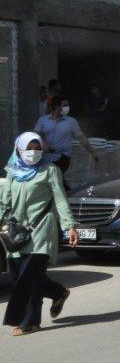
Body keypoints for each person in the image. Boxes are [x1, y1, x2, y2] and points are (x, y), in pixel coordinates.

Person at [2, 133, 78, 335]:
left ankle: (30, 322)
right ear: (19, 149)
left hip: (41, 229)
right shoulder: (12, 172)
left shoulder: (50, 170)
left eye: (38, 148)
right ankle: (58, 292)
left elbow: (60, 199)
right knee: (19, 275)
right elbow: (5, 202)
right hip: (15, 232)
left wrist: (69, 225)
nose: (34, 152)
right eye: (29, 148)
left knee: (29, 276)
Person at [34, 95, 99, 185]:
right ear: (57, 106)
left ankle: (64, 193)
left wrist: (92, 152)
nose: (67, 108)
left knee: (57, 177)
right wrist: (43, 144)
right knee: (50, 180)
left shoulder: (71, 121)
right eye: (64, 105)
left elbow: (81, 138)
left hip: (63, 156)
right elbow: (35, 135)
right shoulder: (43, 120)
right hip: (46, 157)